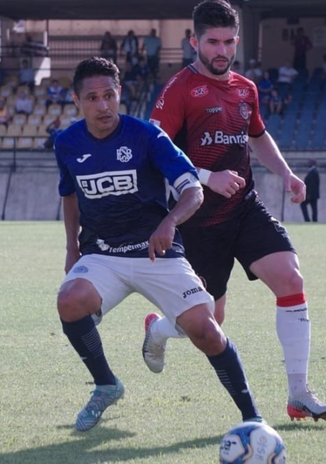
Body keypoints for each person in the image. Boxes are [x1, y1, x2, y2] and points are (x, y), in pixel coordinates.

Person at [145, 0, 326, 422]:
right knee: (209, 320)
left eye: (229, 41)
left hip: (244, 208)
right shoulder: (179, 90)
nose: (222, 51)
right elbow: (154, 151)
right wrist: (205, 177)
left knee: (290, 277)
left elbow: (258, 136)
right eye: (213, 42)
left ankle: (299, 393)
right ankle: (158, 328)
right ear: (194, 41)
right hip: (197, 220)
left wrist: (287, 174)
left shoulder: (245, 88)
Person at [55, 56, 263, 432]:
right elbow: (69, 194)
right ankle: (106, 385)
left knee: (206, 329)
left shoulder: (147, 137)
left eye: (109, 95)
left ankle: (253, 418)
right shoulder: (66, 143)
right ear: (76, 100)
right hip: (102, 254)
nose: (102, 105)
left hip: (157, 253)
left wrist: (169, 221)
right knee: (69, 300)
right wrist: (72, 247)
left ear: (120, 94)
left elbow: (193, 191)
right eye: (92, 98)